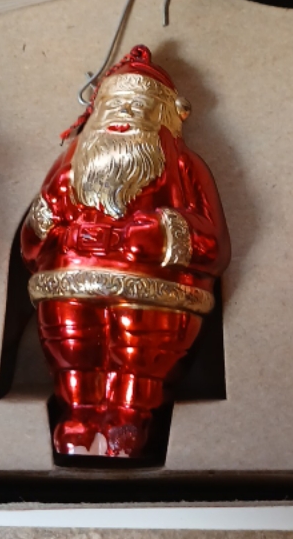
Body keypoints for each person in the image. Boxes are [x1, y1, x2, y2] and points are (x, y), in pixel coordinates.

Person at [21, 45, 231, 458]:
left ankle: (130, 420)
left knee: (139, 357)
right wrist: (47, 217)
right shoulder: (71, 164)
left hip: (152, 295)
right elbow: (31, 244)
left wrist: (163, 234)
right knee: (73, 353)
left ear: (165, 116)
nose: (124, 115)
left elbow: (215, 245)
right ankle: (78, 416)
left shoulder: (184, 166)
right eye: (115, 105)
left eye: (137, 107)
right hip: (68, 288)